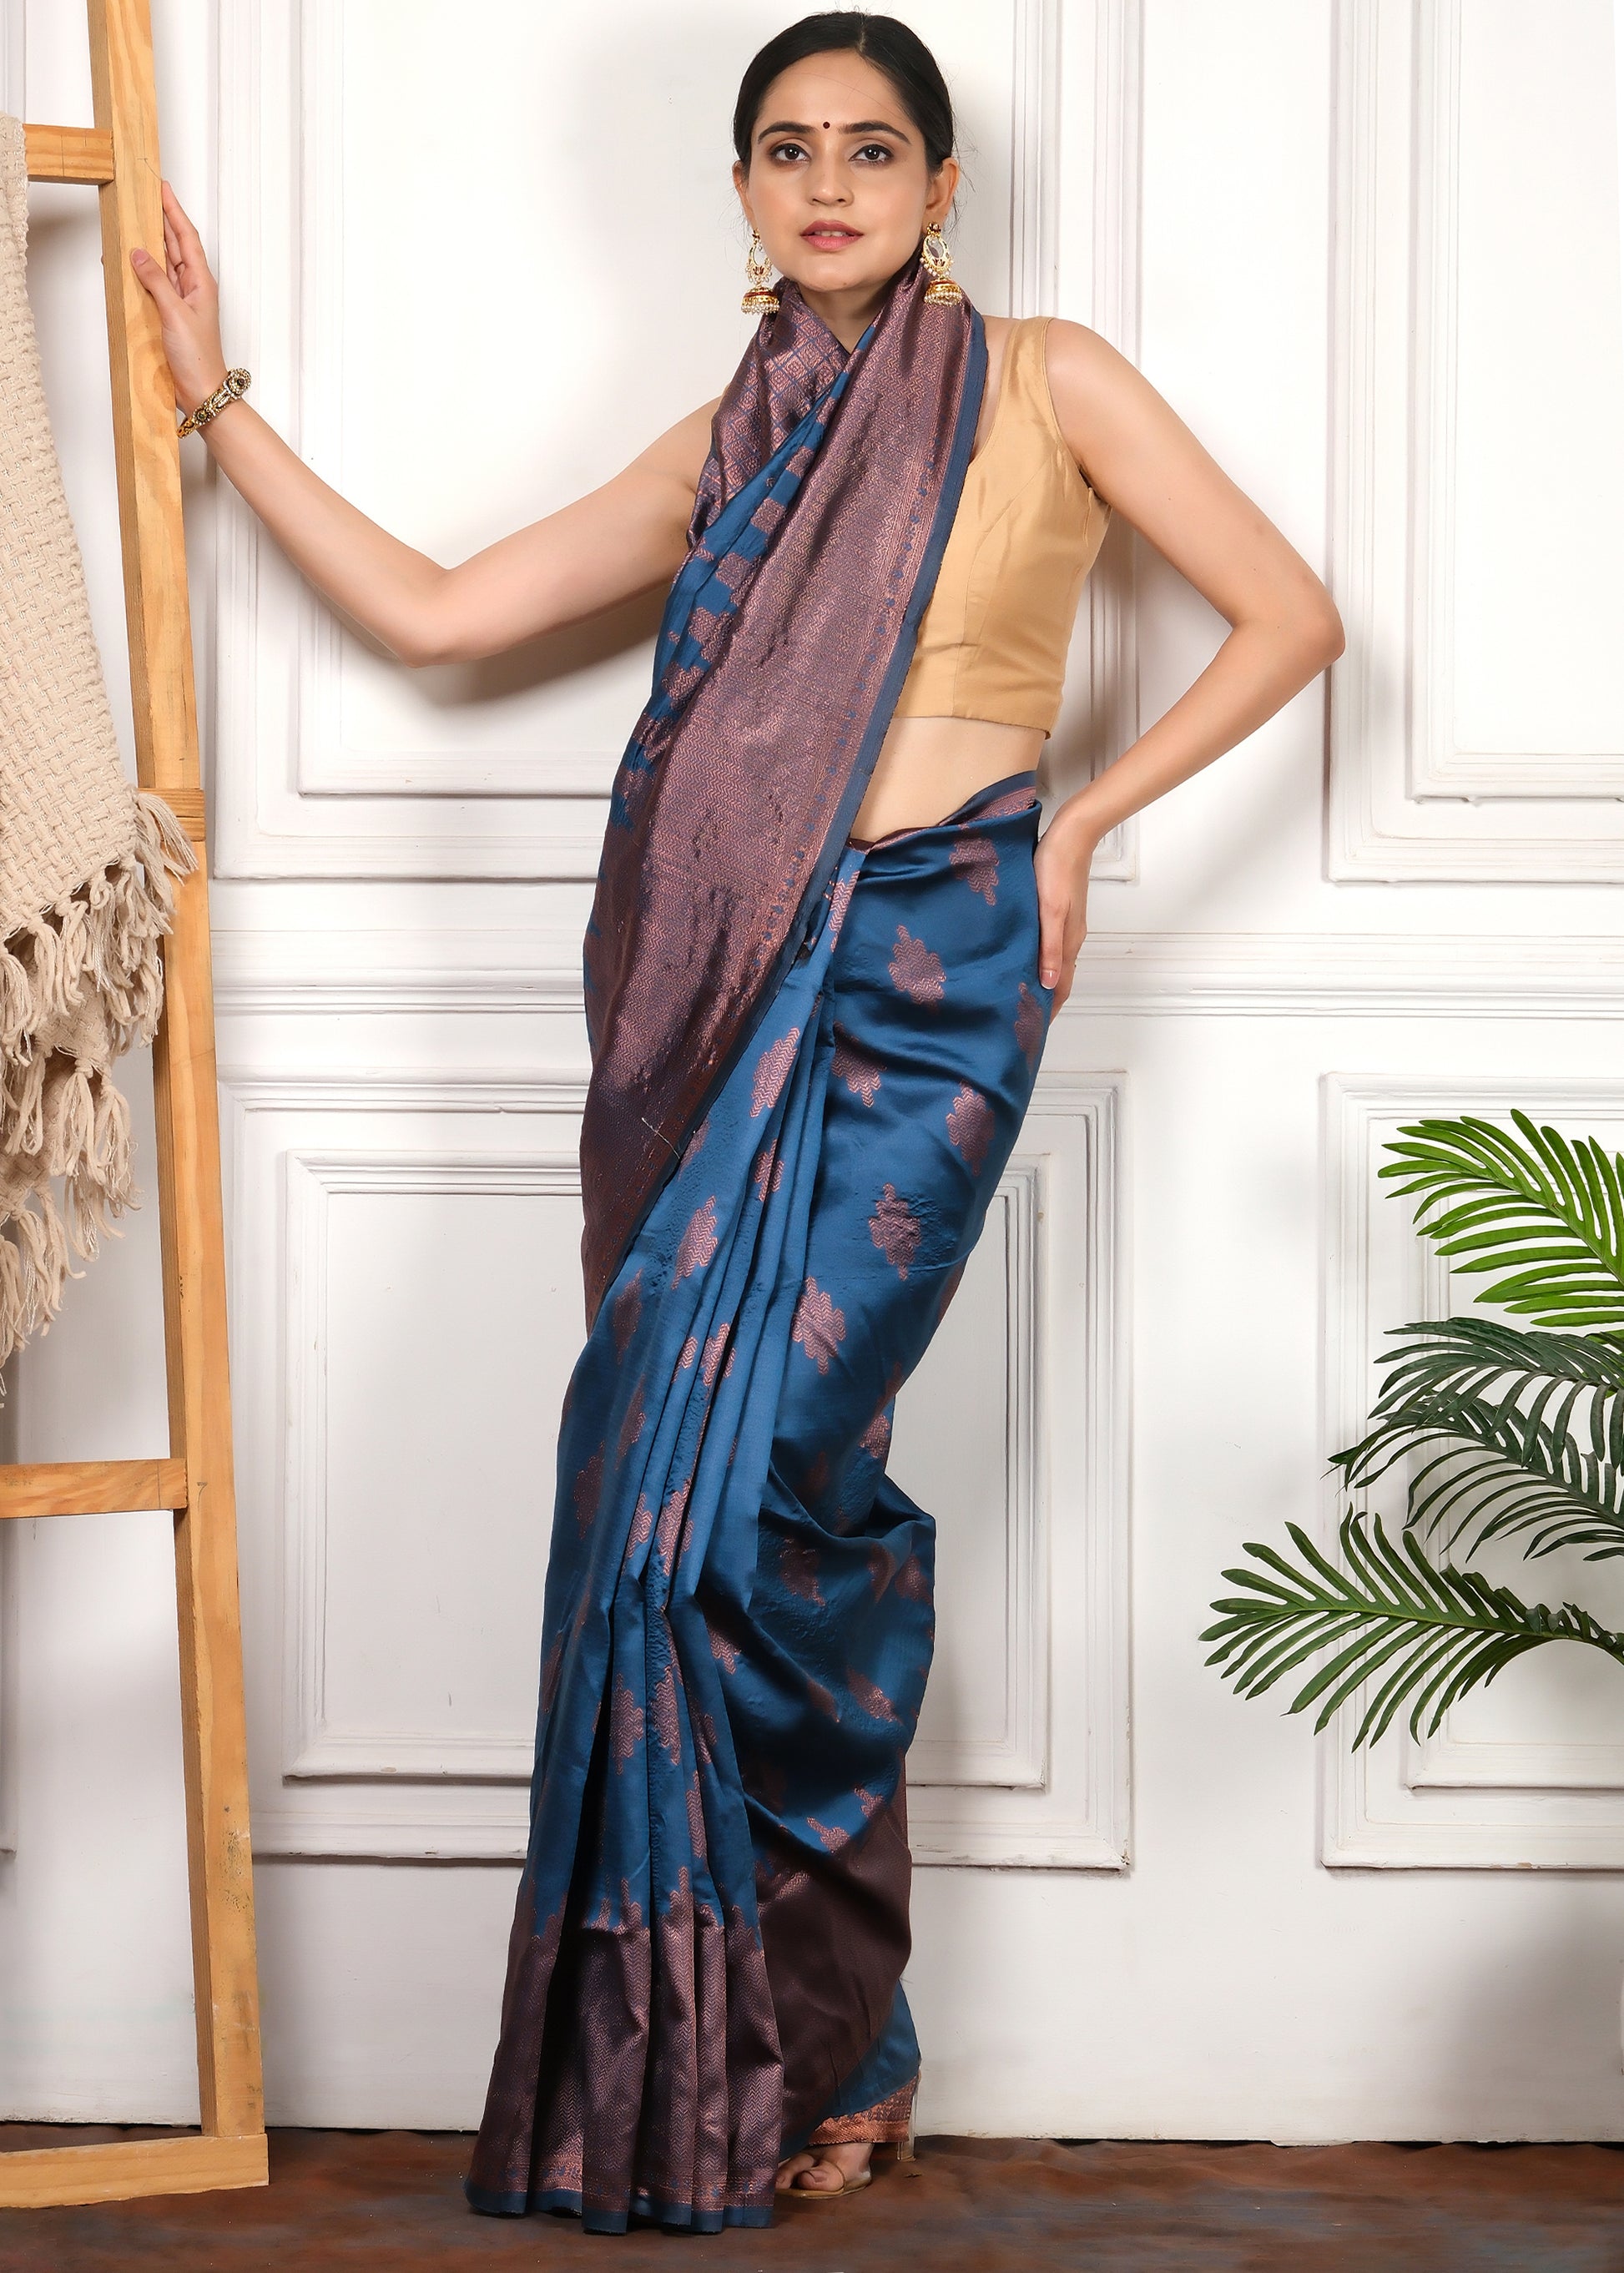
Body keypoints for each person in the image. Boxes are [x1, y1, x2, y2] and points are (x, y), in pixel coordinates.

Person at [134, 7, 1343, 2235]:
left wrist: (1079, 826)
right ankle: (777, 2051)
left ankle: (838, 2027)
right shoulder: (737, 434)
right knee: (677, 1509)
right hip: (710, 1002)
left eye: (871, 148)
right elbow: (433, 610)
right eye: (784, 149)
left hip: (937, 982)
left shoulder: (1049, 383)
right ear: (740, 191)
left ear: (940, 184)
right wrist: (216, 402)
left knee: (776, 1475)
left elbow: (1290, 616)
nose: (828, 183)